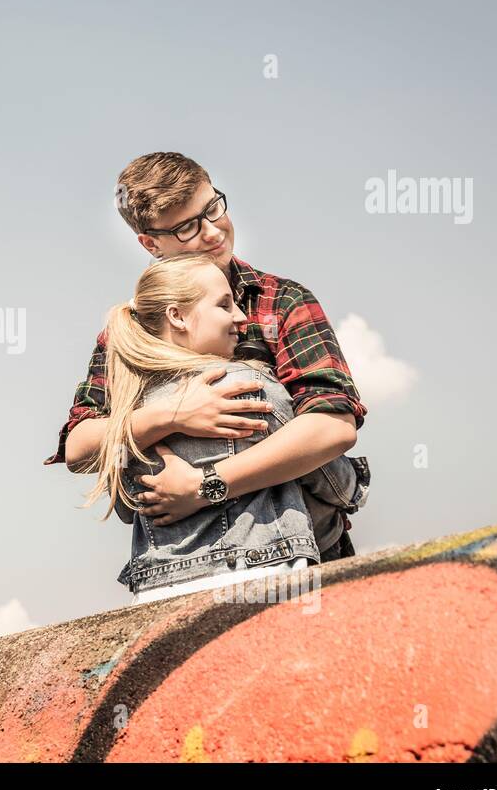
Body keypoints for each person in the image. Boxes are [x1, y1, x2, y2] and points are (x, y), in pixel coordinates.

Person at [44, 151, 369, 564]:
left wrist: (205, 485)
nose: (213, 232)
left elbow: (333, 427)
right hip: (181, 565)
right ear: (150, 243)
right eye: (186, 228)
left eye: (212, 208)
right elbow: (80, 449)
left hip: (303, 554)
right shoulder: (127, 330)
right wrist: (174, 414)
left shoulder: (281, 300)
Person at [80, 254, 370, 602]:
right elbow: (330, 478)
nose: (240, 317)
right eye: (224, 305)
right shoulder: (247, 386)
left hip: (157, 589)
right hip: (262, 576)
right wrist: (355, 484)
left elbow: (127, 507)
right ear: (178, 316)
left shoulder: (128, 408)